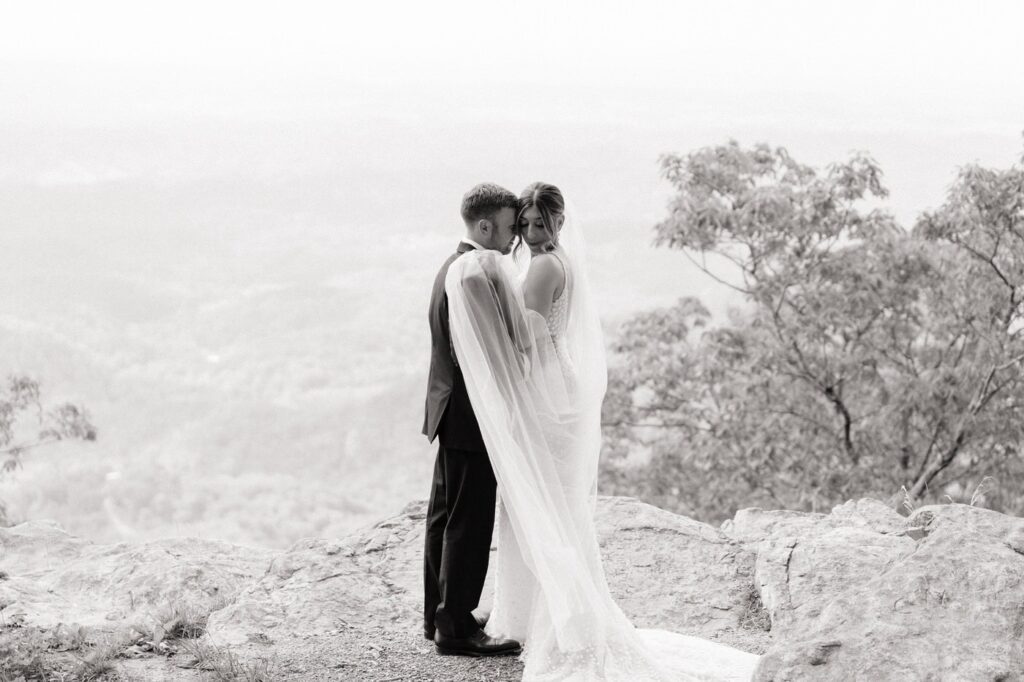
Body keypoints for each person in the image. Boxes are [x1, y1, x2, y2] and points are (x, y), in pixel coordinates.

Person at [446, 182, 761, 680]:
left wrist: (487, 308)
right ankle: (531, 610)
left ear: (557, 224)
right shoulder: (556, 259)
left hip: (547, 391)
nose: (527, 233)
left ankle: (562, 620)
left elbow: (526, 336)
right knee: (547, 503)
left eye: (538, 224)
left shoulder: (544, 265)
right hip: (556, 382)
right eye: (523, 224)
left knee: (542, 505)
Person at [421, 182, 522, 657]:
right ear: (484, 225)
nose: (512, 238)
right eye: (506, 227)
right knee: (469, 522)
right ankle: (457, 630)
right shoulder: (474, 272)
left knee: (444, 517)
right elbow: (487, 353)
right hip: (470, 414)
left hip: (447, 408)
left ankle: (438, 616)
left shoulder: (450, 266)